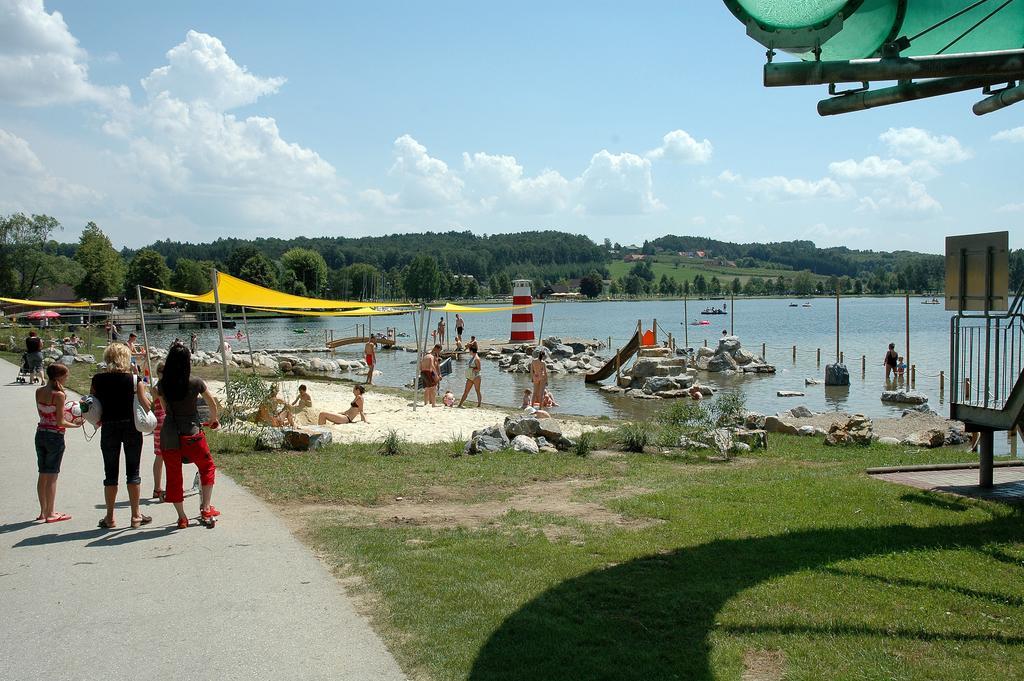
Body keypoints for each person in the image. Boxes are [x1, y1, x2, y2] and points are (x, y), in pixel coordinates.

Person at [153, 344, 220, 529]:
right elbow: (212, 403)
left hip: (170, 434)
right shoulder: (195, 382)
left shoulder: (162, 385)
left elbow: (165, 408)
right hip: (191, 432)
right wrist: (213, 420)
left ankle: (182, 517)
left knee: (174, 476)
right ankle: (206, 507)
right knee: (207, 467)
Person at [91, 342, 152, 529]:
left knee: (110, 473)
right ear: (125, 359)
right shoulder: (134, 380)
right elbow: (147, 406)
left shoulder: (98, 380)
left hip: (109, 427)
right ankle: (135, 516)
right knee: (133, 471)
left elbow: (92, 402)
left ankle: (110, 517)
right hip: (131, 427)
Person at [34, 363, 79, 523]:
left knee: (43, 473)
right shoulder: (59, 395)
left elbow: (44, 414)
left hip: (40, 434)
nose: (67, 378)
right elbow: (60, 421)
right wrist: (76, 425)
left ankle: (43, 511)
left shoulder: (39, 391)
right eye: (66, 376)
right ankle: (51, 513)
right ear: (59, 377)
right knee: (52, 474)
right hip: (55, 436)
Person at [152, 362, 166, 501]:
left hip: (157, 421)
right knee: (170, 455)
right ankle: (169, 486)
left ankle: (157, 487)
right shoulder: (165, 387)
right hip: (166, 422)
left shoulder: (154, 388)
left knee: (159, 455)